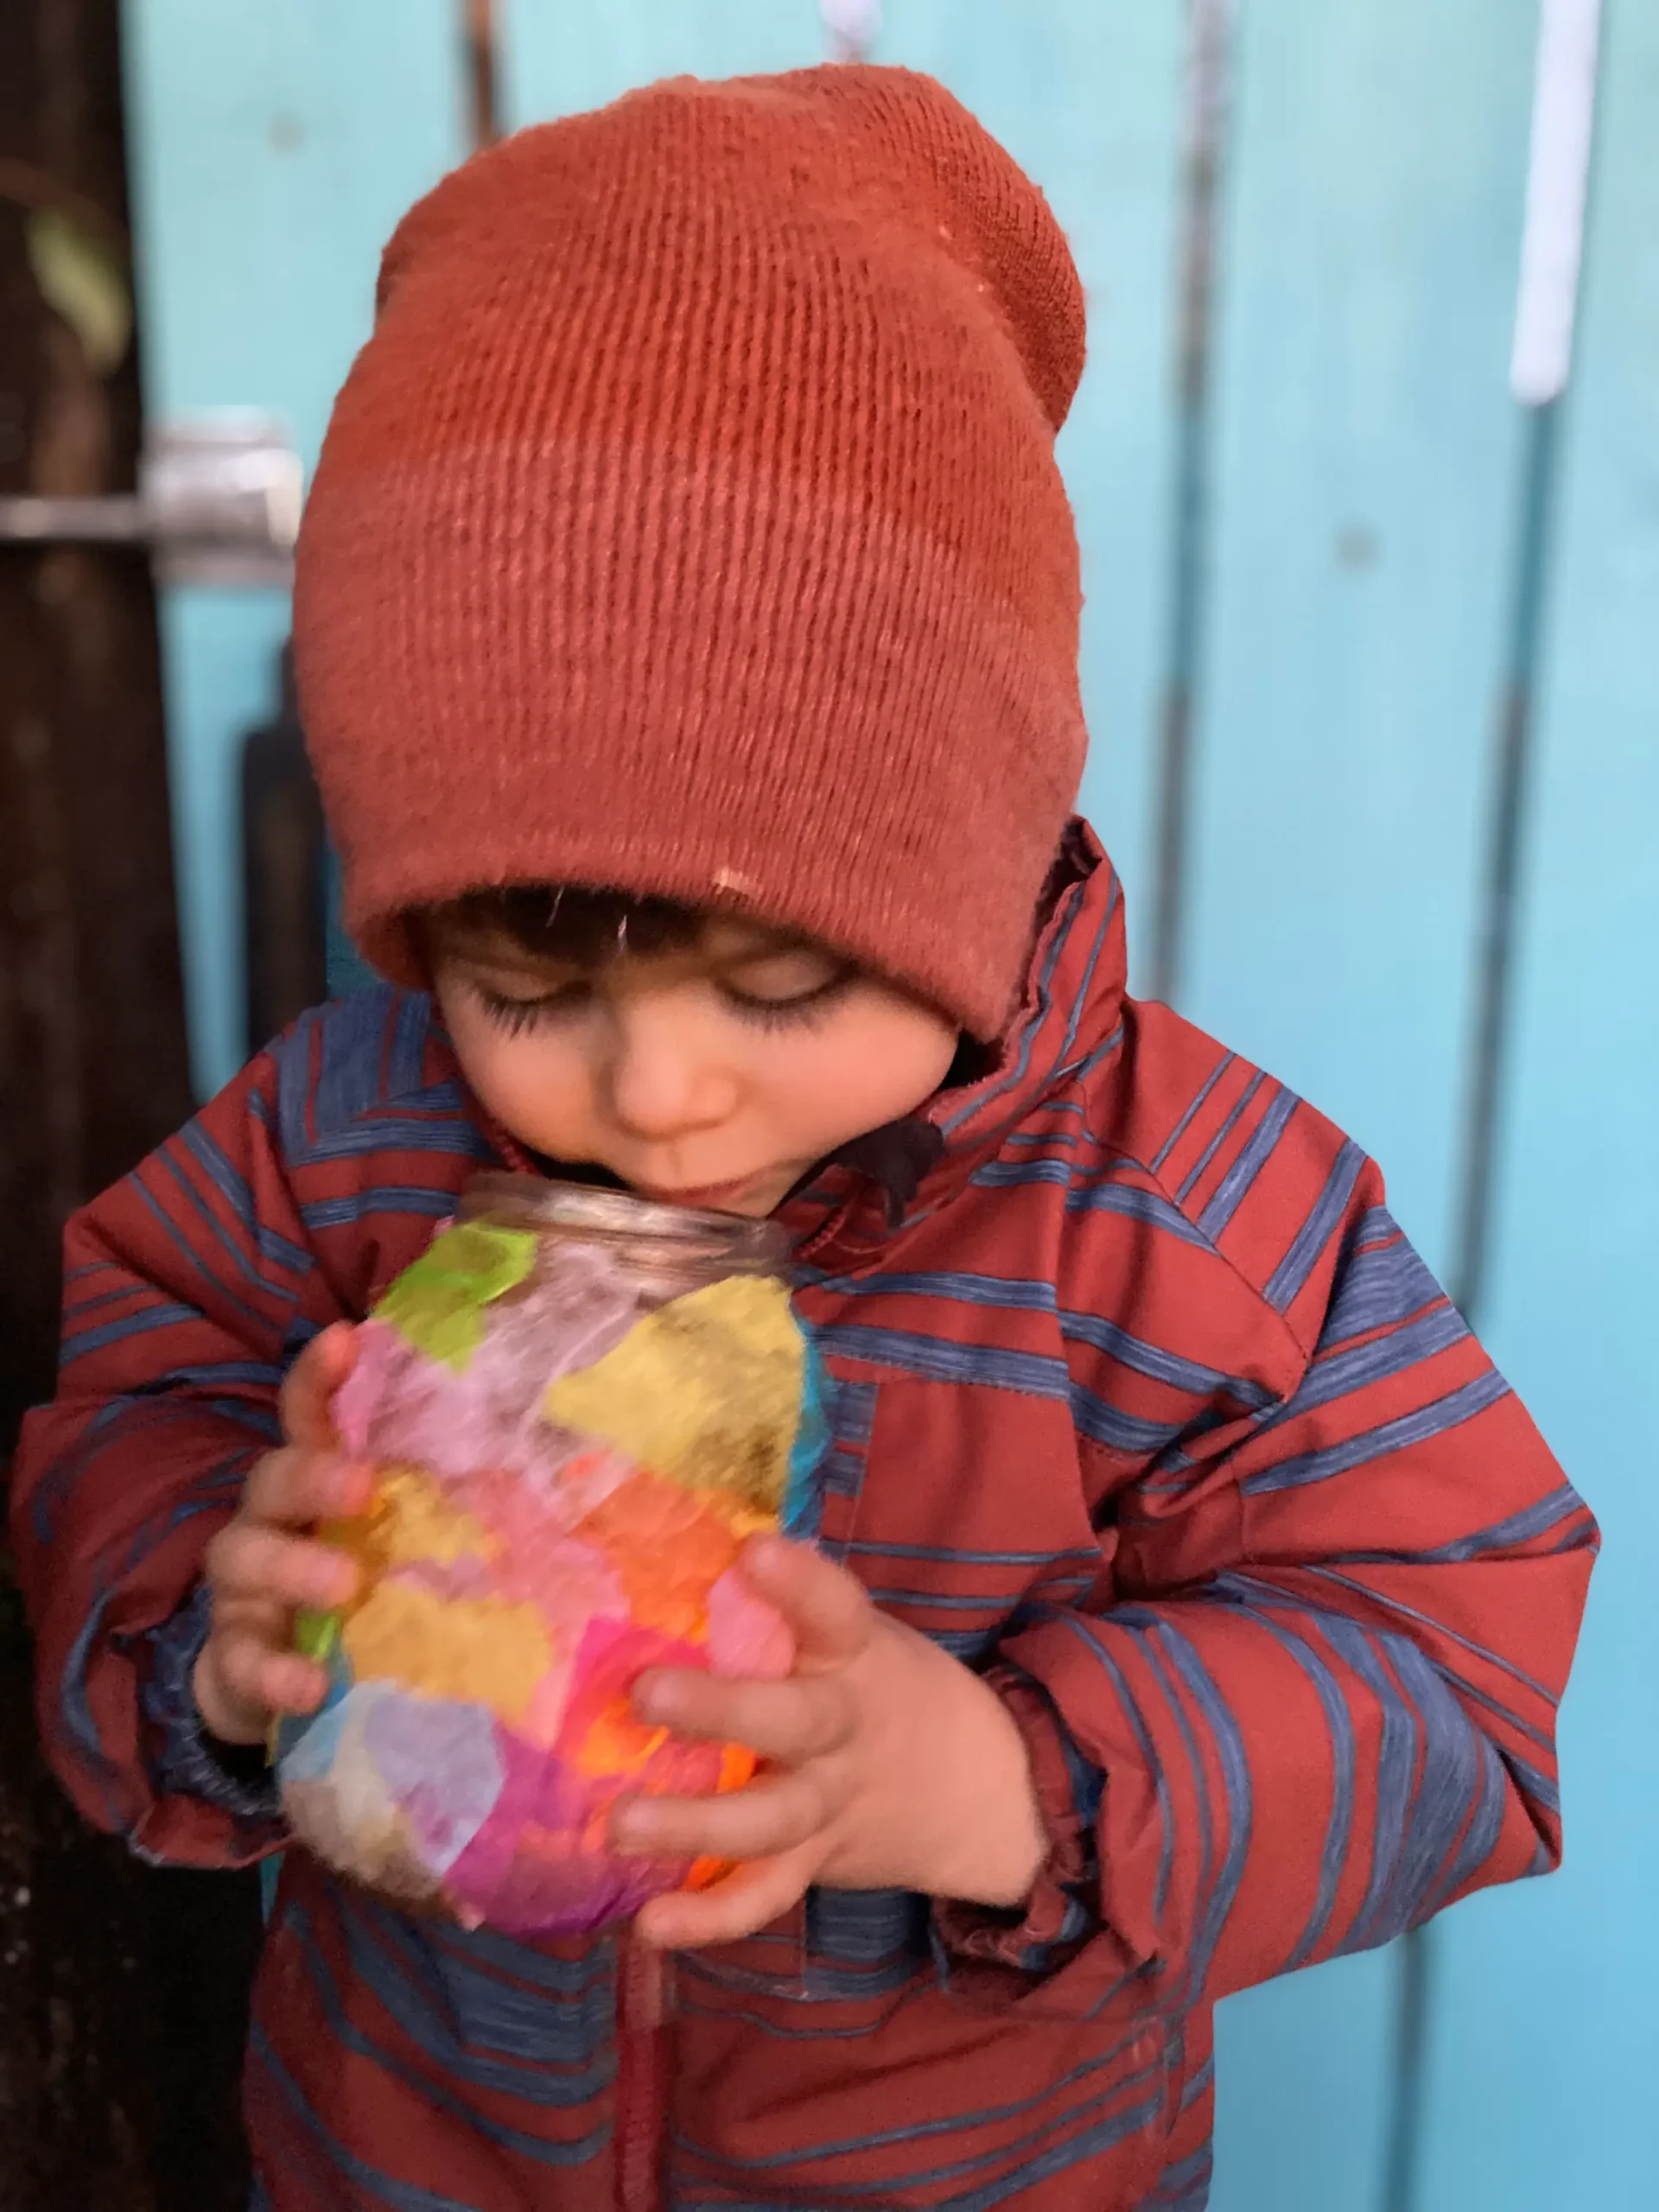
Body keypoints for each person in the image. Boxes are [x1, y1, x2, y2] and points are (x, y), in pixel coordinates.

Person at [11, 64, 1594, 2212]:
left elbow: (1446, 1668)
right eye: (527, 984)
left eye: (780, 990)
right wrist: (214, 1607)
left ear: (966, 871)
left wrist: (997, 1779)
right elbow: (142, 1391)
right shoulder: (345, 1138)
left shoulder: (1183, 1219)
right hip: (402, 2156)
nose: (655, 1093)